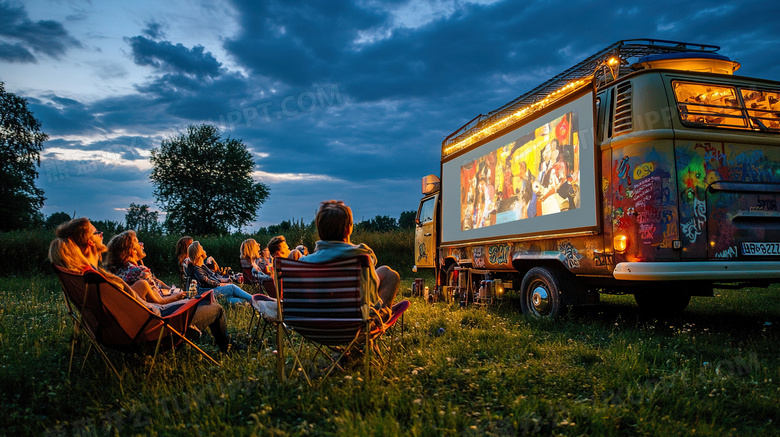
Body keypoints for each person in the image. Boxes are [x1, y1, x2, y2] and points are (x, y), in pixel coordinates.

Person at [49, 217, 237, 353]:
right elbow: (149, 305)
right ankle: (227, 348)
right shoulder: (99, 278)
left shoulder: (88, 276)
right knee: (216, 308)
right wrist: (177, 302)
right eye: (97, 232)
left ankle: (197, 331)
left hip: (131, 328)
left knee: (201, 300)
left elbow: (135, 301)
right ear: (90, 241)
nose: (101, 234)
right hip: (154, 328)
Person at [300, 200, 399, 314]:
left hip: (313, 320)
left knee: (384, 270)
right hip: (356, 321)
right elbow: (373, 270)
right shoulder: (362, 254)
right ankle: (384, 312)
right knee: (391, 275)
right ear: (348, 229)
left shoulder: (304, 262)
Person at [103, 230, 185, 304]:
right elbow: (160, 300)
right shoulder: (140, 272)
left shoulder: (117, 271)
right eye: (138, 243)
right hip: (158, 310)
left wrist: (169, 289)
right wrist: (178, 296)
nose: (142, 245)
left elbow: (156, 283)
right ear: (132, 251)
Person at [187, 241, 253, 304]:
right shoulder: (197, 268)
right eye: (201, 248)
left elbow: (214, 276)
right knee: (232, 287)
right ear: (198, 252)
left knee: (234, 300)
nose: (204, 250)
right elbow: (203, 279)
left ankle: (251, 303)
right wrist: (218, 284)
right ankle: (254, 299)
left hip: (210, 291)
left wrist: (225, 280)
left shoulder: (202, 266)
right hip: (207, 292)